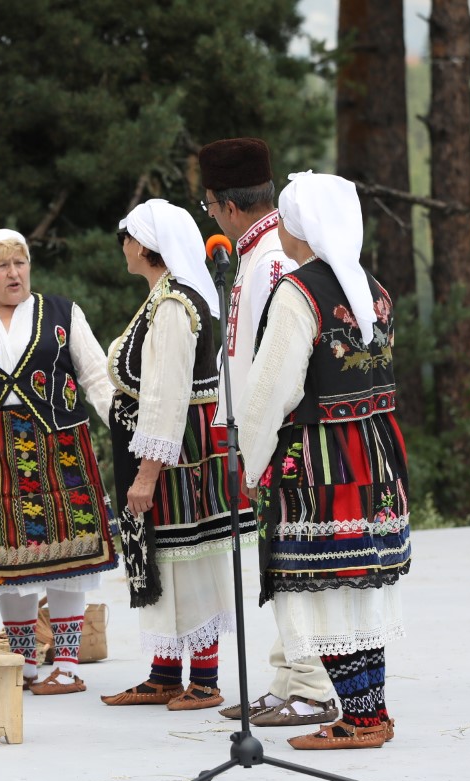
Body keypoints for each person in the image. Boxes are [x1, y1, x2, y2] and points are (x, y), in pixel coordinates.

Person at [238, 171, 410, 749]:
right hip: (375, 455)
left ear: (303, 226)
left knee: (325, 585)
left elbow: (271, 392)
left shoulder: (299, 292)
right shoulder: (374, 288)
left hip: (321, 460)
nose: (281, 231)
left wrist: (252, 459)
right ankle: (371, 714)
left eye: (286, 220)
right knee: (356, 585)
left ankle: (360, 721)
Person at [0, 229, 117, 696]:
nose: (15, 273)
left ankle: (68, 663)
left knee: (71, 550)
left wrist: (128, 428)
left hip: (59, 445)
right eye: (4, 266)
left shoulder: (62, 314)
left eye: (21, 262)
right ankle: (25, 662)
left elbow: (95, 376)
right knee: (9, 559)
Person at [199, 137, 337, 728]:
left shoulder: (275, 260)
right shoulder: (255, 255)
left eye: (209, 207)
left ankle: (311, 683)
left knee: (290, 559)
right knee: (277, 561)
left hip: (284, 433)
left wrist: (249, 441)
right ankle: (289, 678)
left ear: (228, 207)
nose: (211, 217)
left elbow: (280, 366)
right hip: (265, 431)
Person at [98, 199, 248, 710]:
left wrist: (147, 475)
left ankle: (204, 679)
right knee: (167, 556)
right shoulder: (172, 296)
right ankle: (165, 673)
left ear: (142, 245)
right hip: (177, 447)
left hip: (178, 453)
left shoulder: (172, 306)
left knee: (189, 559)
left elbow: (166, 395)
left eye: (126, 238)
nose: (123, 248)